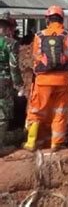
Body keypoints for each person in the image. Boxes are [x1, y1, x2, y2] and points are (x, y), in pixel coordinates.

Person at [24, 6, 68, 152]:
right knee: (60, 111)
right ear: (62, 19)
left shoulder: (39, 35)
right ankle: (56, 143)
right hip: (63, 80)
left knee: (36, 110)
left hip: (43, 80)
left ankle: (31, 142)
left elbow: (36, 57)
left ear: (47, 19)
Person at [0, 12, 24, 155]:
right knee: (3, 114)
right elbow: (13, 66)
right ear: (8, 27)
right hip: (3, 82)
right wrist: (19, 84)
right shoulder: (10, 43)